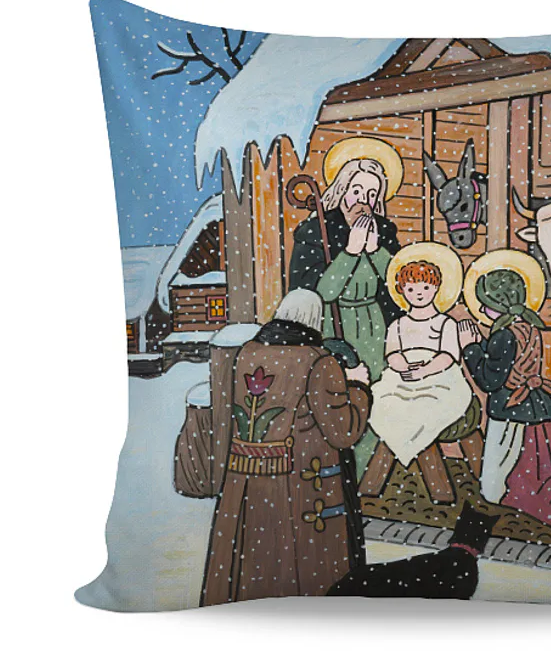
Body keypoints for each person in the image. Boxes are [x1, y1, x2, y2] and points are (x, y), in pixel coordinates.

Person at [201, 289, 372, 605]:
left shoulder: (248, 353)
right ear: (315, 319)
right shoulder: (317, 362)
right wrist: (357, 386)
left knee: (253, 560)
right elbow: (343, 431)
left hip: (247, 485)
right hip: (300, 485)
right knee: (301, 565)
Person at [458, 269, 551, 528]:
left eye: (486, 303)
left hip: (511, 408)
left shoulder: (504, 335)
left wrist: (470, 348)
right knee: (536, 461)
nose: (481, 309)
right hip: (532, 405)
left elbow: (490, 380)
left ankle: (506, 496)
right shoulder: (526, 327)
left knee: (502, 472)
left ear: (498, 304)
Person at [288, 157, 403, 380]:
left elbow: (397, 285)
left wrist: (375, 251)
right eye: (356, 191)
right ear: (342, 191)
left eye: (371, 194)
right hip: (333, 324)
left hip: (375, 325)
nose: (363, 201)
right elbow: (318, 293)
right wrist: (350, 253)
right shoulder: (317, 231)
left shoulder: (384, 231)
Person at [368, 261, 472, 466]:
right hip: (402, 380)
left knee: (427, 407)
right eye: (411, 289)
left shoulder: (446, 323)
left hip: (439, 380)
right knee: (382, 402)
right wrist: (404, 366)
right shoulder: (398, 324)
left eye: (425, 287)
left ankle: (422, 461)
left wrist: (424, 371)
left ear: (436, 287)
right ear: (402, 291)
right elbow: (392, 354)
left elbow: (448, 356)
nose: (419, 293)